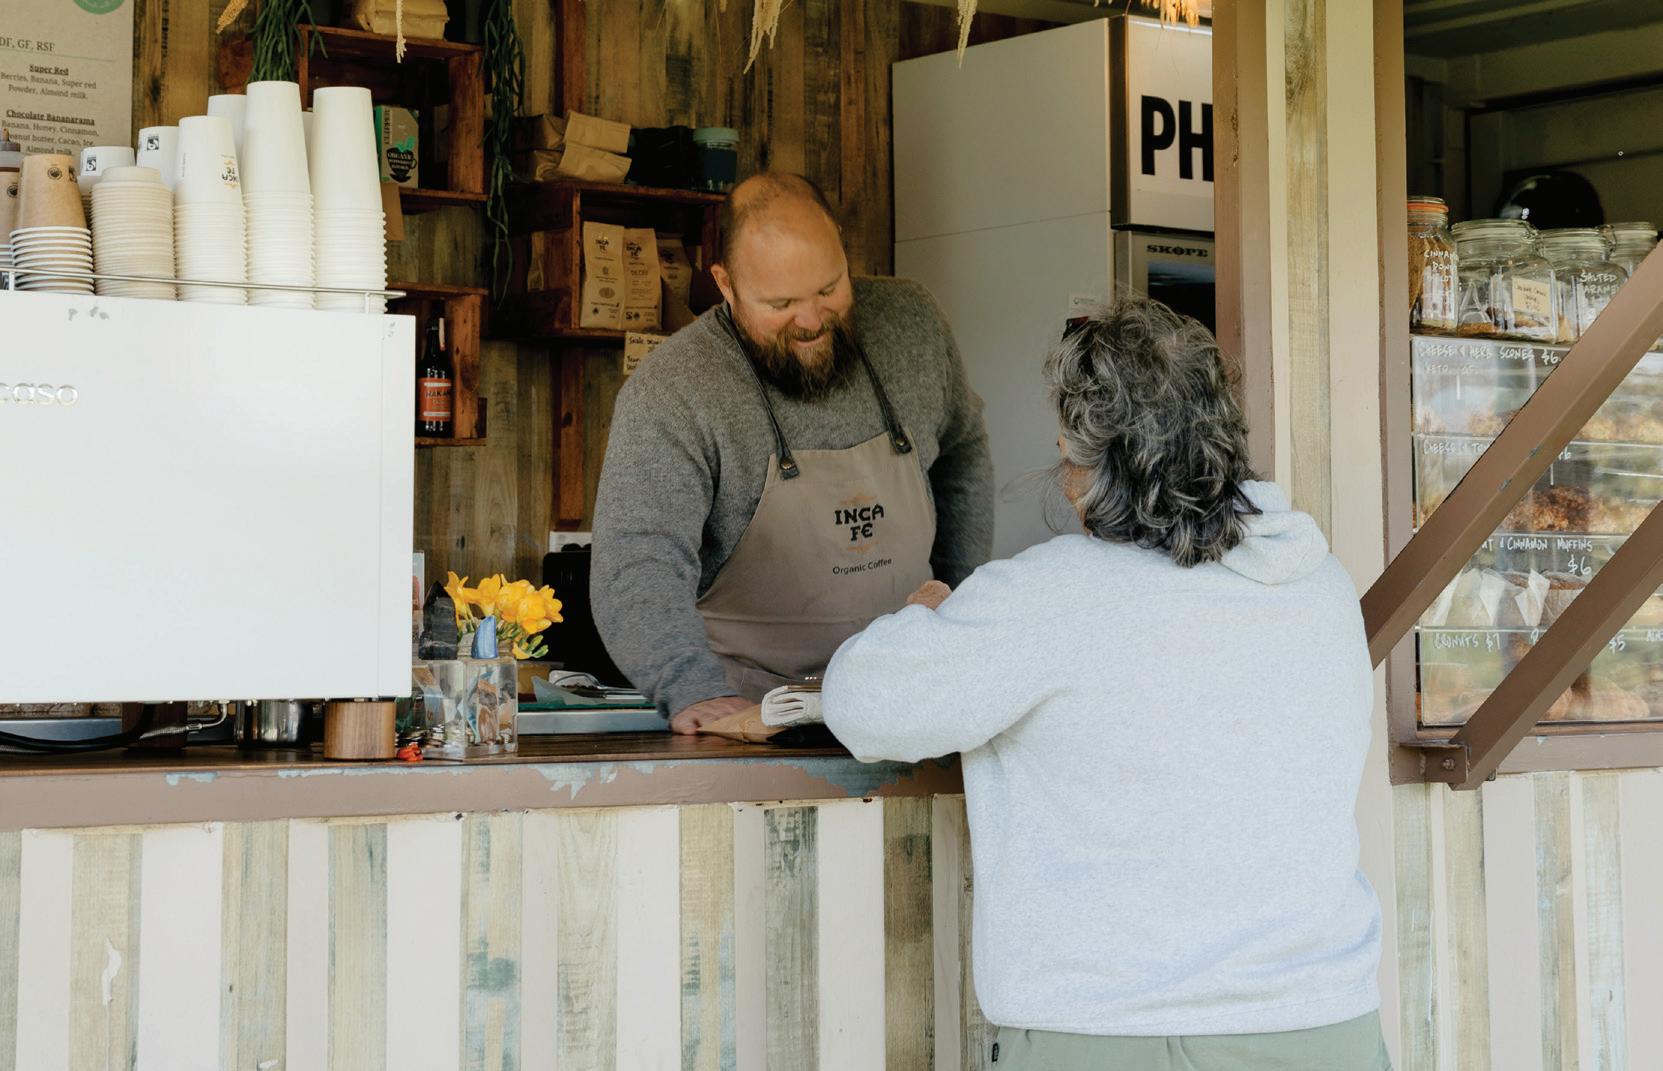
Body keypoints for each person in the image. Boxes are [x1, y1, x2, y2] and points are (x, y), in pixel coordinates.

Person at [823, 296, 1390, 1069]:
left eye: (1067, 455)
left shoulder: (1046, 598)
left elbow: (860, 702)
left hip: (1108, 1034)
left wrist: (922, 614)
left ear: (1098, 465)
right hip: (1324, 1028)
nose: (1064, 480)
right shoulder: (1320, 586)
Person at [591, 172, 993, 733]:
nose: (810, 321)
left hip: (909, 695)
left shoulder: (912, 323)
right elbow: (639, 558)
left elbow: (962, 453)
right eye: (780, 303)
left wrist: (957, 608)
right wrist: (691, 688)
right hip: (757, 716)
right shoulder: (675, 388)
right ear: (725, 284)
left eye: (829, 290)